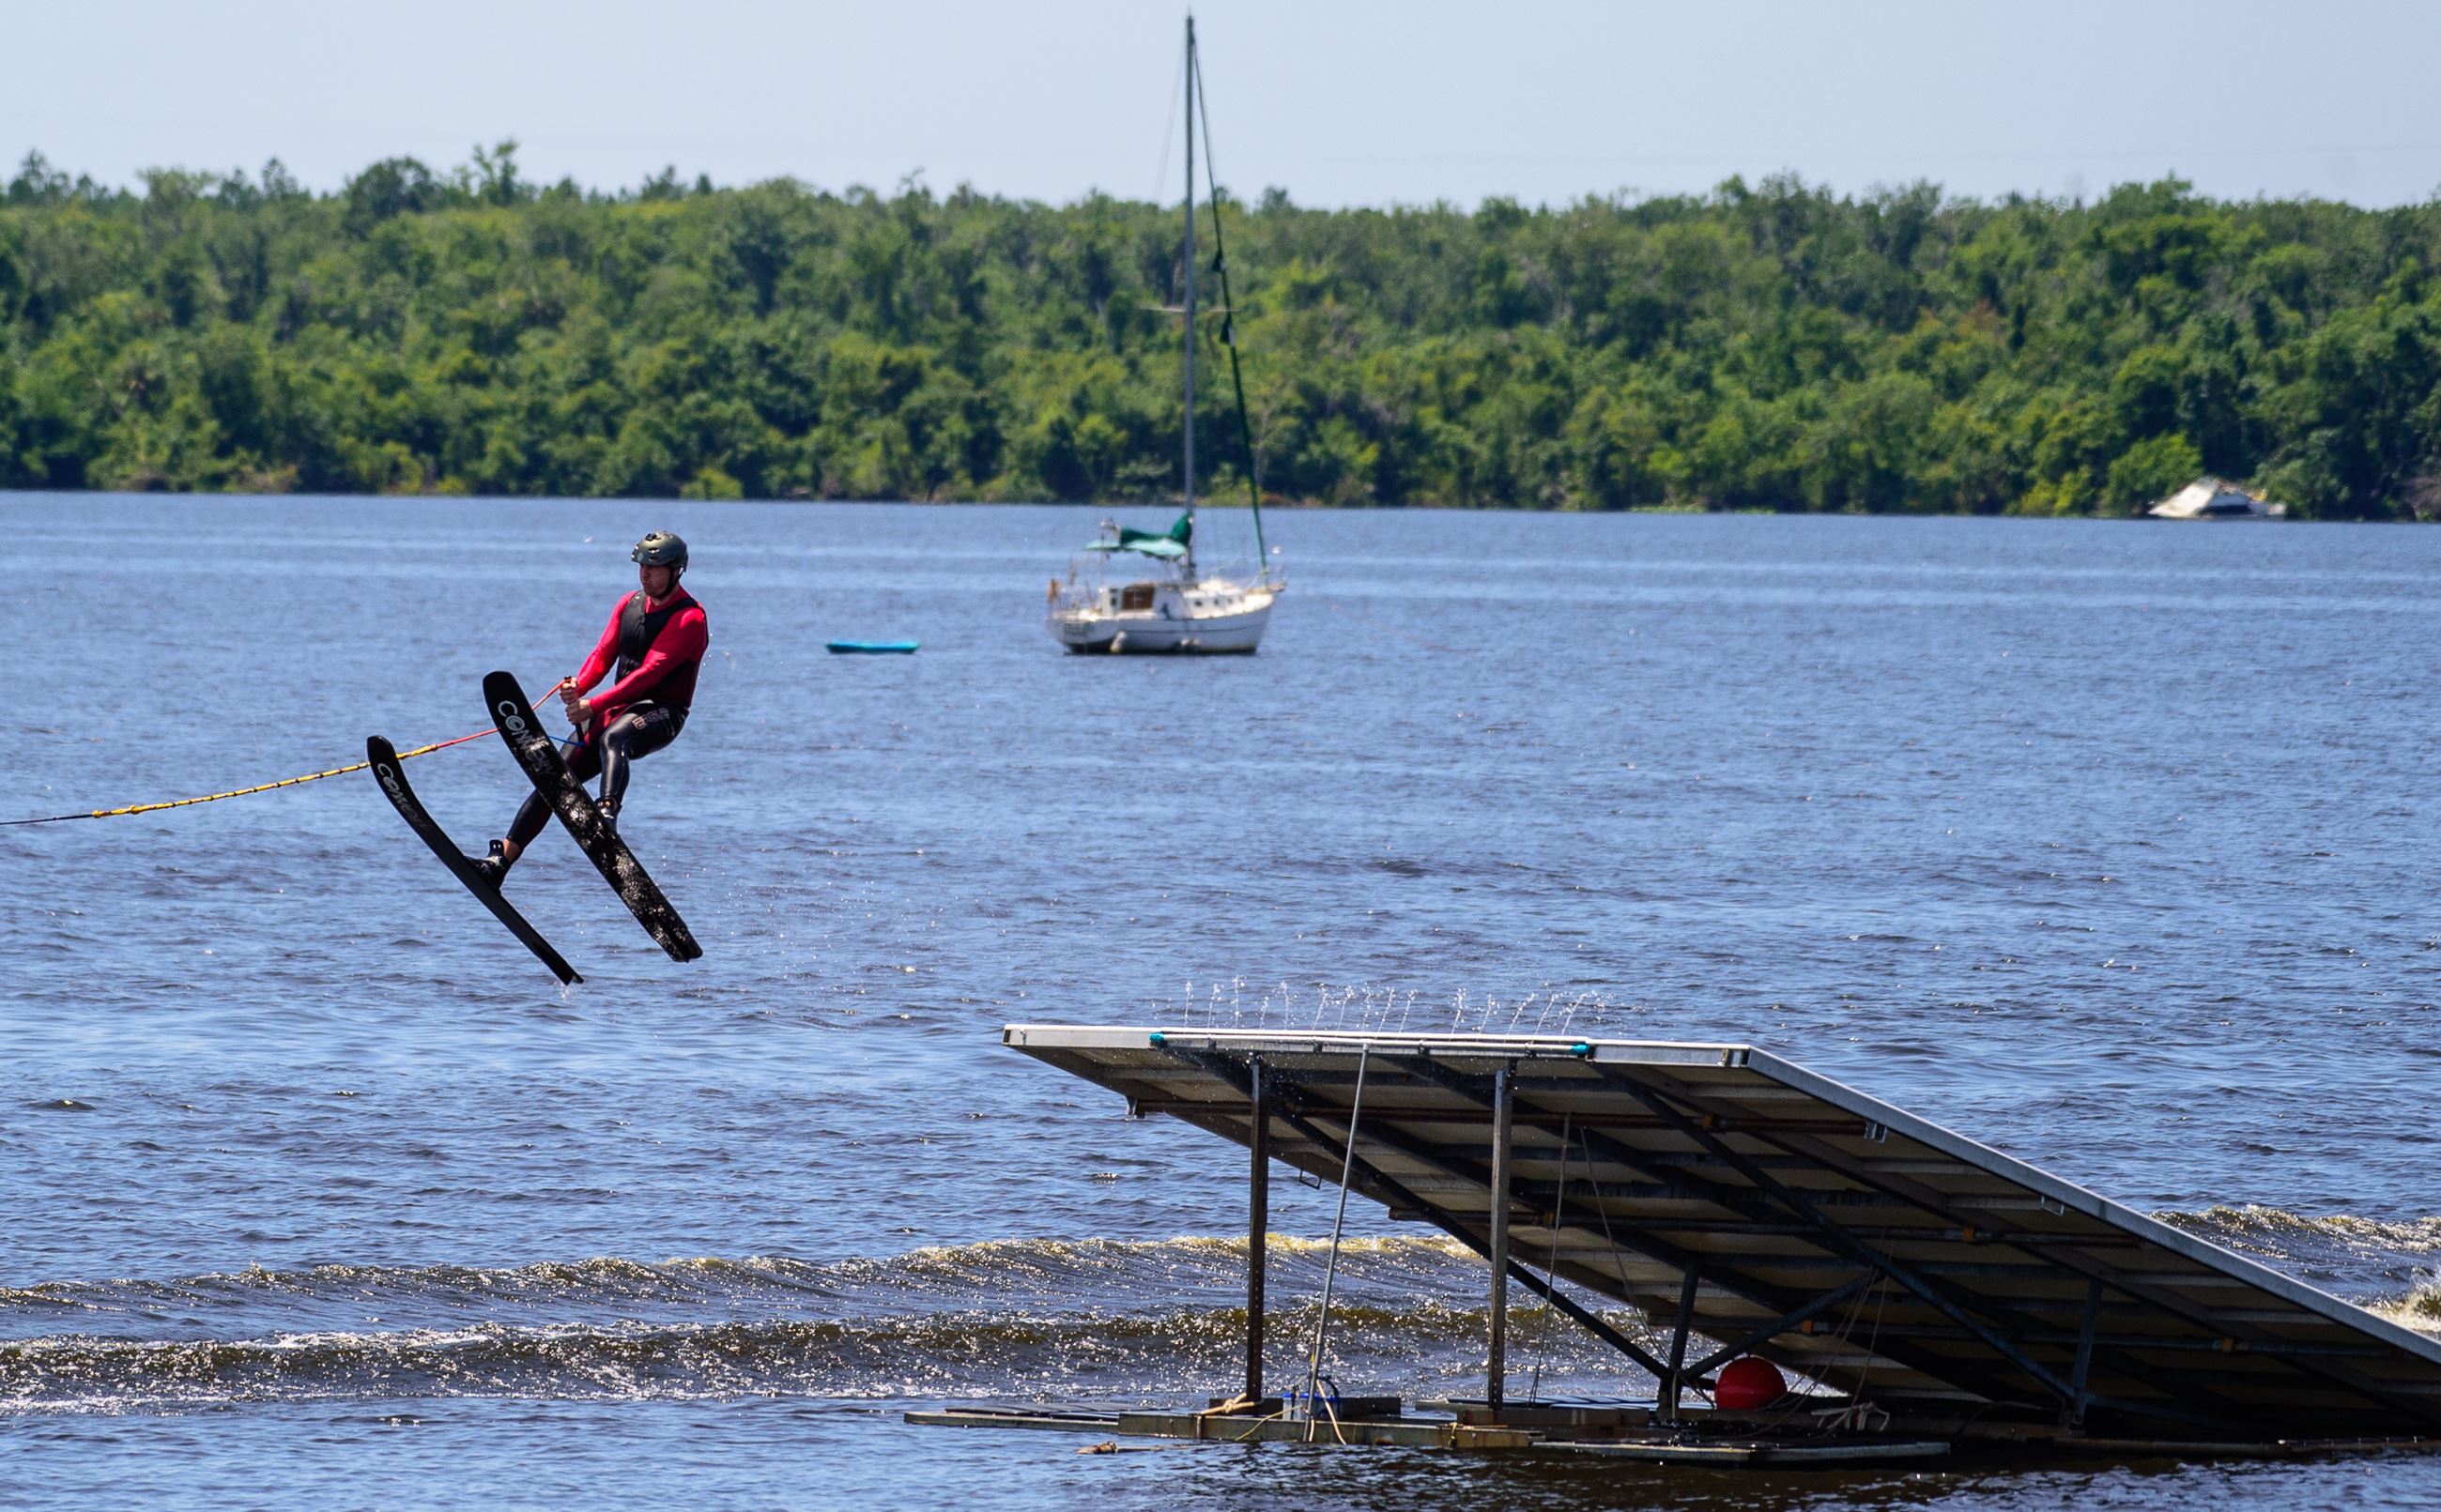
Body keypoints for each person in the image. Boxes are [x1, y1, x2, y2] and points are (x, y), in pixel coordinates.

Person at [472, 530, 709, 884]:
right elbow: (603, 654)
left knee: (614, 739)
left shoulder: (689, 619)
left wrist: (592, 704)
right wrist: (580, 686)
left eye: (655, 567)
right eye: (642, 565)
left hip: (663, 712)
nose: (646, 573)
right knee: (553, 778)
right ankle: (501, 862)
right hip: (619, 707)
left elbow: (648, 675)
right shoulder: (628, 605)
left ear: (677, 571)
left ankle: (608, 812)